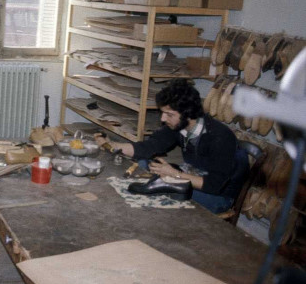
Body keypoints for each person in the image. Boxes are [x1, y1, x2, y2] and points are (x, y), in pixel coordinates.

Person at [94, 79, 248, 213]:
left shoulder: (220, 137)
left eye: (169, 114)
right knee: (143, 164)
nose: (163, 118)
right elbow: (147, 148)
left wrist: (174, 174)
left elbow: (214, 185)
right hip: (191, 177)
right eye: (163, 113)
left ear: (187, 113)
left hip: (217, 196)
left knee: (159, 190)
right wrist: (110, 144)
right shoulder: (179, 126)